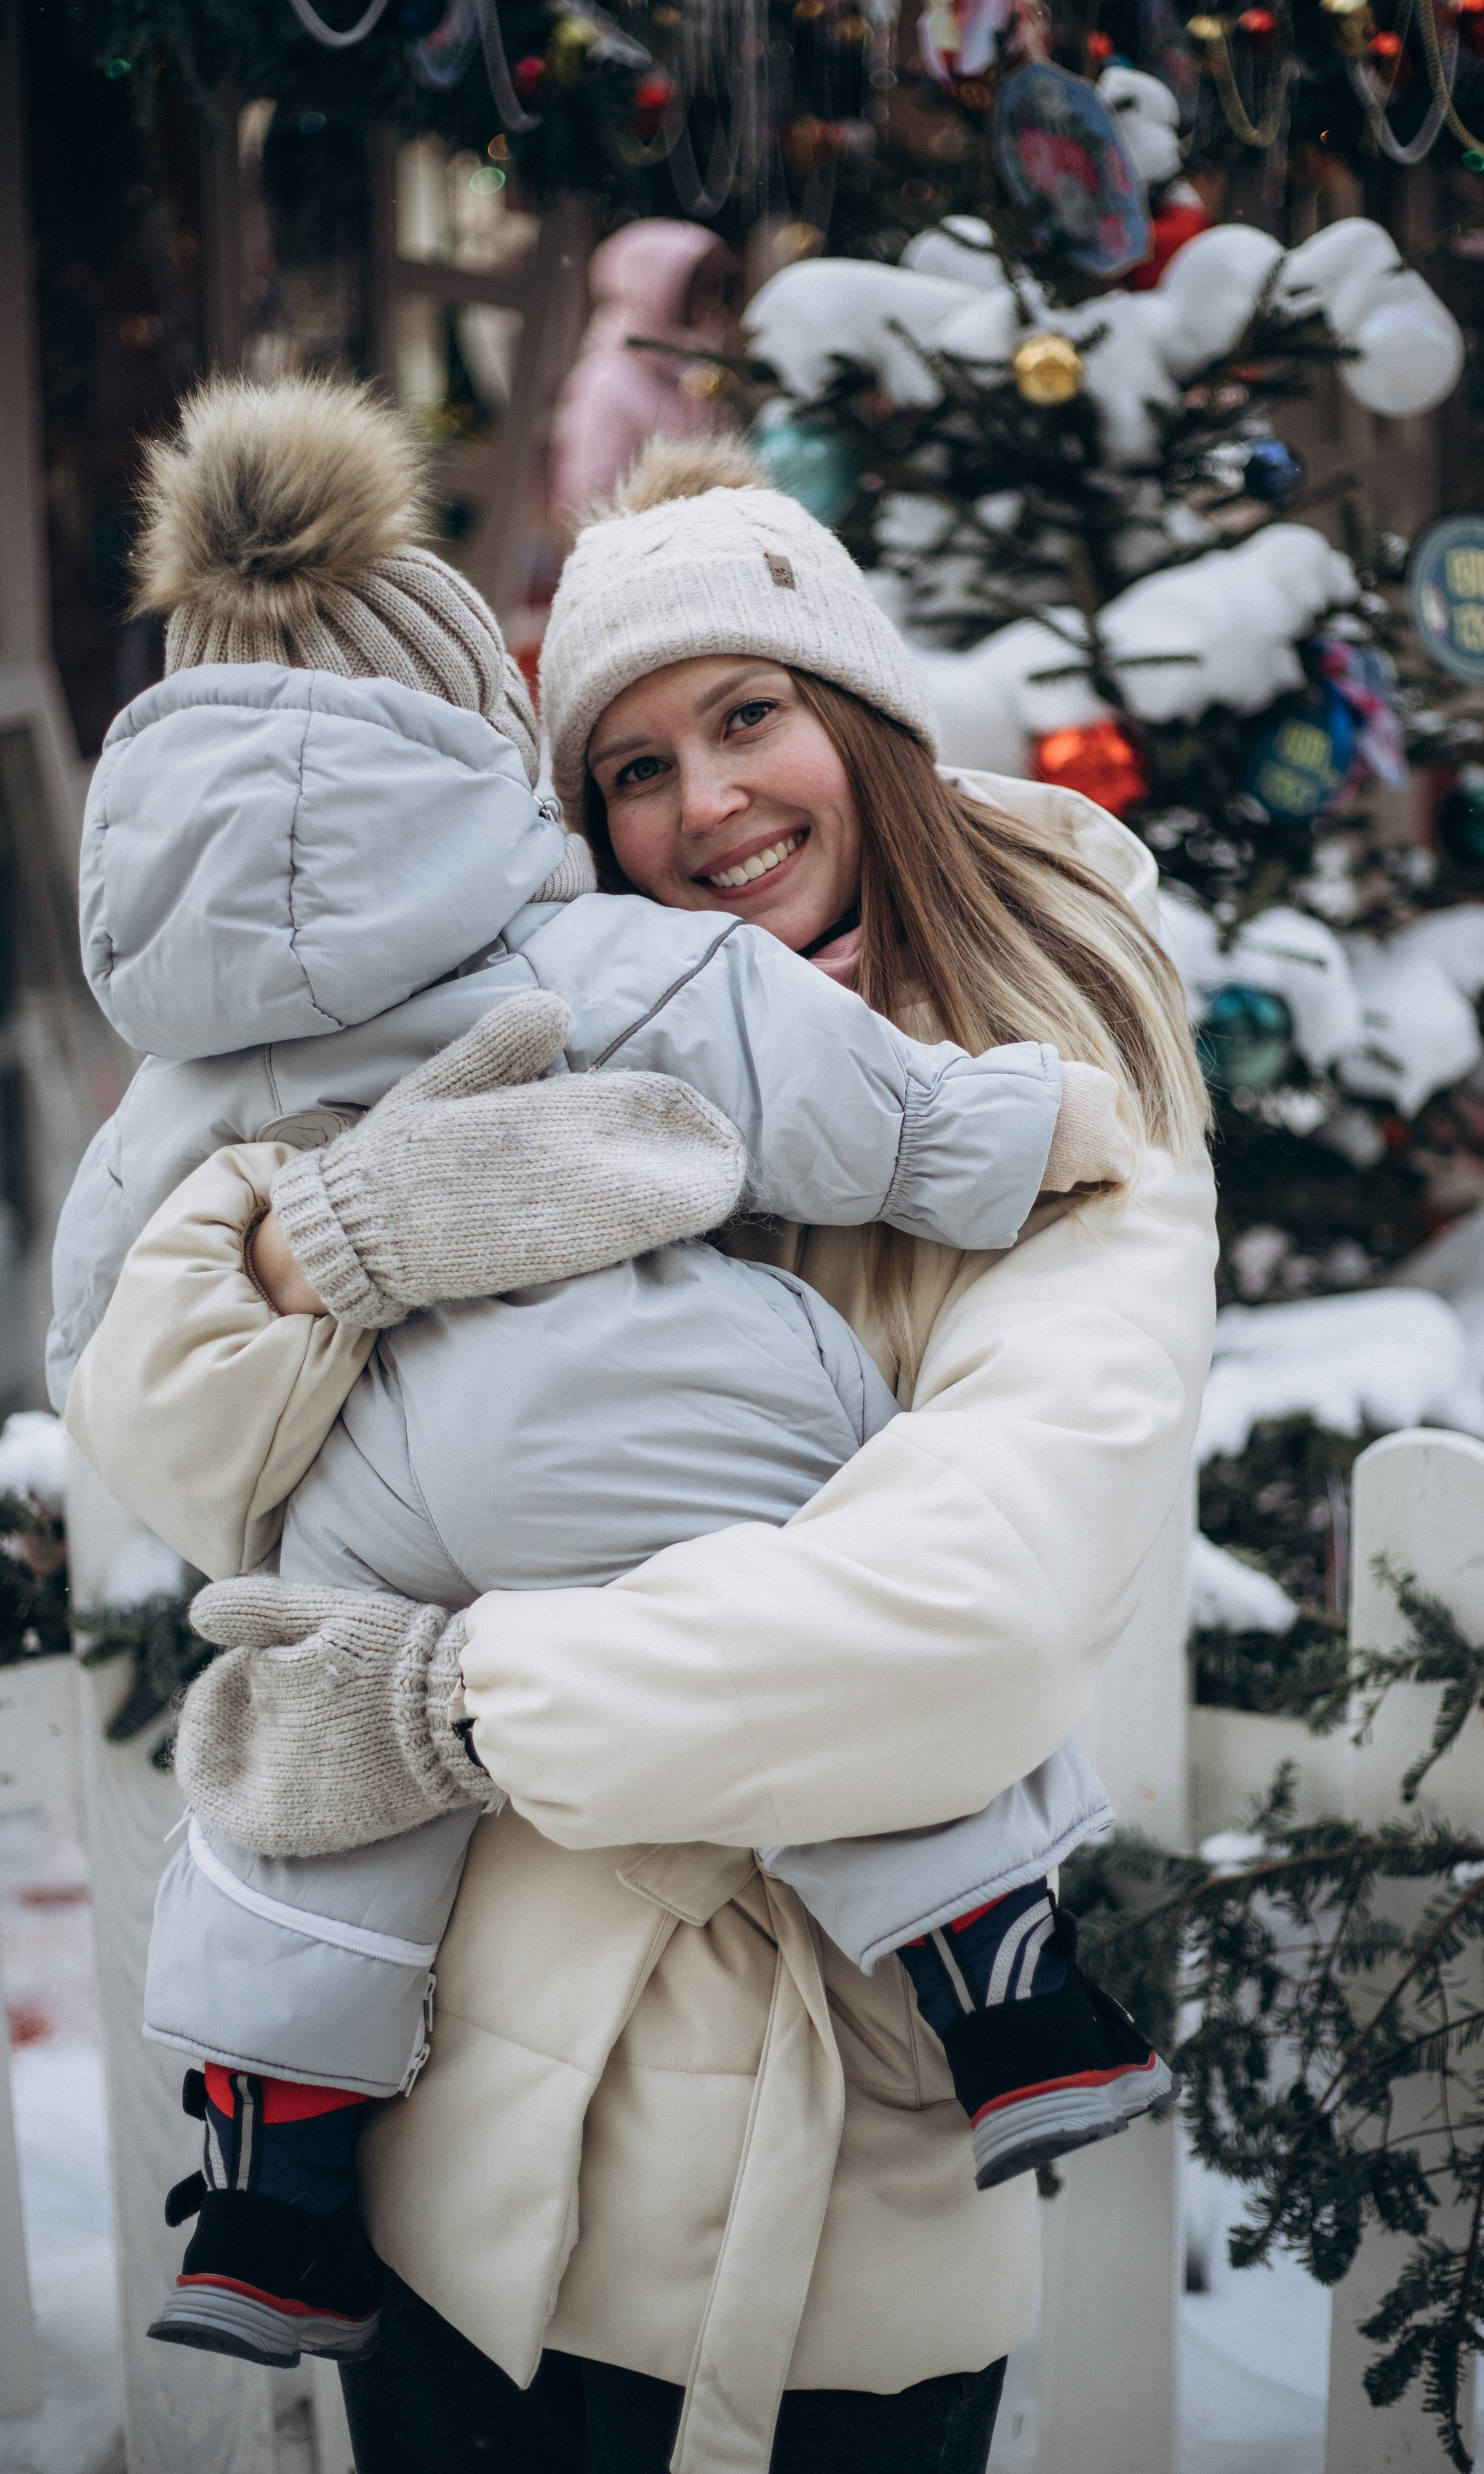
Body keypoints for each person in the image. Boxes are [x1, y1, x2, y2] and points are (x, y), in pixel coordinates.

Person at [63, 403, 1218, 2474]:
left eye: (751, 714)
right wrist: (354, 1227)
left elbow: (955, 1626)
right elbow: (162, 1436)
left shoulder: (1074, 1102)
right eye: (632, 766)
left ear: (856, 711)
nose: (710, 803)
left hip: (818, 2230)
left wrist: (433, 1696)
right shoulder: (525, 1020)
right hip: (457, 2196)